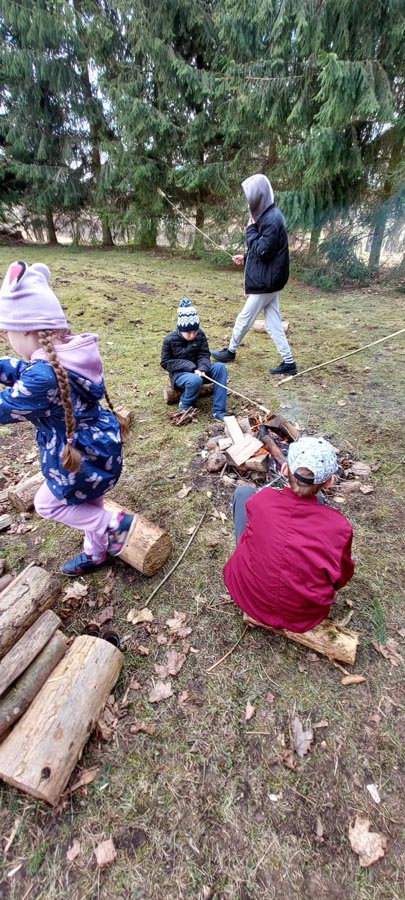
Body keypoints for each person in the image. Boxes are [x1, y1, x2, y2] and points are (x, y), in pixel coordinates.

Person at [0, 260, 136, 576]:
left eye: (7, 334)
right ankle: (97, 553)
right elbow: (23, 370)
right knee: (92, 505)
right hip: (99, 450)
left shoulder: (43, 378)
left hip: (79, 458)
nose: (7, 341)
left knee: (47, 503)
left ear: (29, 329)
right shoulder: (68, 354)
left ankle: (114, 526)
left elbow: (8, 405)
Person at [224, 437, 355, 632]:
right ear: (329, 482)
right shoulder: (339, 528)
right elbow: (341, 578)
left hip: (248, 596)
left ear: (284, 470)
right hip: (302, 616)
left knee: (243, 494)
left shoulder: (261, 501)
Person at [211, 173, 297, 376]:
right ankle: (289, 362)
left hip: (267, 282)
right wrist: (247, 256)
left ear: (259, 197)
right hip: (271, 280)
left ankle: (230, 351)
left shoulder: (272, 219)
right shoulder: (269, 215)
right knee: (274, 322)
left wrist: (249, 230)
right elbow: (263, 250)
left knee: (244, 318)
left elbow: (263, 250)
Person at [161, 297, 228, 422]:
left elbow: (204, 354)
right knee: (195, 380)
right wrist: (191, 367)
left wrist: (202, 368)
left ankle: (219, 410)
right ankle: (185, 404)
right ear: (181, 329)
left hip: (200, 370)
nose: (192, 335)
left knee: (220, 367)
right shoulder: (169, 340)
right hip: (181, 375)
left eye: (195, 331)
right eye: (189, 332)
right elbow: (165, 362)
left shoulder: (200, 335)